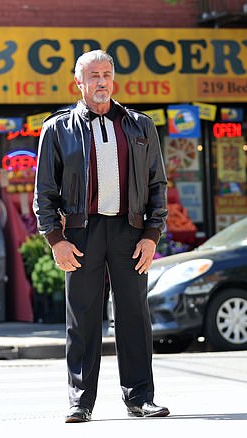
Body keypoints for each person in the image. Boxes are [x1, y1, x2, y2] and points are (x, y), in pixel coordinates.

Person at [34, 50, 169, 423]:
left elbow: (157, 184)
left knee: (134, 316)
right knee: (83, 318)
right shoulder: (58, 129)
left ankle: (140, 398)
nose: (101, 81)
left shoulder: (140, 125)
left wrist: (152, 234)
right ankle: (80, 401)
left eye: (106, 74)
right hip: (81, 232)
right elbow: (43, 191)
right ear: (78, 82)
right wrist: (55, 239)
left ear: (114, 78)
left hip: (130, 230)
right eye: (92, 75)